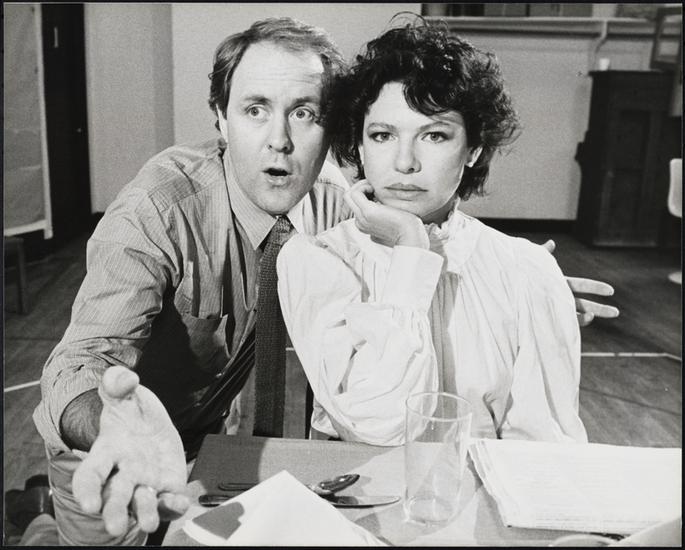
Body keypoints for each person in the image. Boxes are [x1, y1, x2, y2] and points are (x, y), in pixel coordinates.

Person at [13, 14, 615, 547]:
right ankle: (39, 522)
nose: (280, 140)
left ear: (331, 132)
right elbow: (80, 361)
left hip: (218, 440)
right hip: (118, 446)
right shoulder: (157, 209)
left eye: (304, 113)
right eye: (255, 109)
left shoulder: (334, 200)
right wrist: (109, 424)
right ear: (220, 118)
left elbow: (415, 235)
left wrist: (519, 283)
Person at [277, 19, 601, 446]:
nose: (405, 162)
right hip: (358, 484)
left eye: (434, 135)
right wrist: (411, 249)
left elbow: (543, 449)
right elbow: (378, 423)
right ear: (358, 145)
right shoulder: (314, 260)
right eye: (382, 135)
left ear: (474, 149)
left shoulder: (527, 269)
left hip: (482, 486)